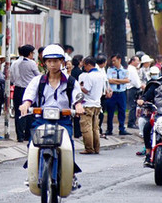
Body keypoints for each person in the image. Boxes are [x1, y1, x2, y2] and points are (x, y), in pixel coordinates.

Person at [18, 44, 84, 181]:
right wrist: (25, 104)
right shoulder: (38, 81)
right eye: (49, 61)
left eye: (56, 61)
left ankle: (71, 174)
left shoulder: (71, 82)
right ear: (45, 63)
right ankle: (33, 170)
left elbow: (77, 97)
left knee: (69, 144)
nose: (52, 64)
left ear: (62, 62)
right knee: (32, 143)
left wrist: (78, 106)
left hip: (63, 120)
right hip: (42, 119)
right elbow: (29, 95)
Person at [10, 45, 40, 142]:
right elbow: (38, 76)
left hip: (18, 89)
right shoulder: (31, 63)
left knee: (19, 113)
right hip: (29, 90)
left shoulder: (14, 63)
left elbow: (11, 77)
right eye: (33, 53)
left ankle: (20, 136)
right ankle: (28, 135)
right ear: (30, 53)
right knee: (30, 113)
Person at [77, 56, 104, 154]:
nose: (84, 68)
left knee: (86, 127)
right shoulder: (101, 75)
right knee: (95, 128)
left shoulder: (89, 76)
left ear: (89, 65)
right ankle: (97, 148)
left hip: (88, 104)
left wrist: (79, 86)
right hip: (97, 104)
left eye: (85, 66)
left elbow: (86, 90)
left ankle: (89, 148)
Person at [105, 54, 129, 135]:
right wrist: (121, 80)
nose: (113, 62)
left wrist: (116, 80)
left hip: (121, 93)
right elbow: (110, 81)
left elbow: (127, 80)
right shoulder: (110, 70)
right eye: (112, 61)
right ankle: (109, 129)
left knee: (122, 111)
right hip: (113, 93)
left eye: (114, 60)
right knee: (110, 111)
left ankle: (122, 129)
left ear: (119, 60)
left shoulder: (124, 70)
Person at [125, 55, 143, 131]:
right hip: (132, 88)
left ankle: (132, 122)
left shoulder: (132, 69)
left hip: (133, 88)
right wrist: (140, 85)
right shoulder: (131, 69)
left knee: (134, 106)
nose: (138, 62)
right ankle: (131, 122)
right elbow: (135, 81)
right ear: (133, 61)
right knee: (132, 106)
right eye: (137, 60)